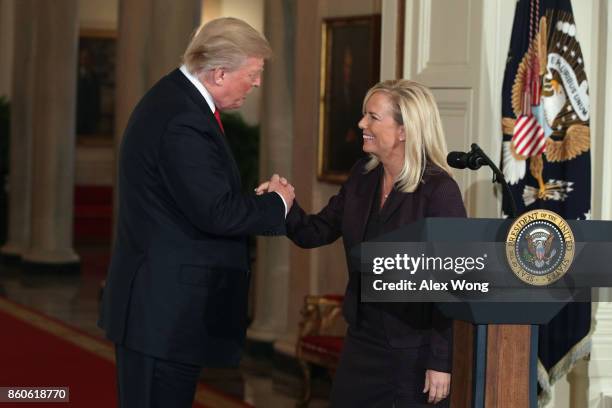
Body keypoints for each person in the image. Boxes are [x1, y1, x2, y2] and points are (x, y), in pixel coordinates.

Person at [98, 17, 295, 408]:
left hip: (162, 311)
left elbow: (195, 200)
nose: (257, 84)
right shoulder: (183, 118)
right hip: (162, 316)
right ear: (219, 72)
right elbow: (216, 212)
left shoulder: (176, 101)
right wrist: (278, 203)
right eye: (253, 74)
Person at [258, 80, 466, 406]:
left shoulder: (438, 191)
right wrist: (283, 204)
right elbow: (316, 230)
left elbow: (451, 281)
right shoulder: (363, 176)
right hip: (361, 341)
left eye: (372, 117)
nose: (361, 124)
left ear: (404, 131)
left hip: (411, 350)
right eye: (363, 116)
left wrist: (441, 361)